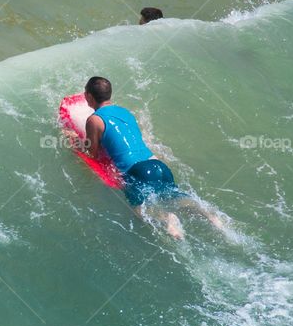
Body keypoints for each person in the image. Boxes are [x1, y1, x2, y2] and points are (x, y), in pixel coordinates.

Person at [82, 76, 223, 240]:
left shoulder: (94, 120)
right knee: (174, 197)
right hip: (157, 165)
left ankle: (167, 218)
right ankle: (210, 217)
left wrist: (76, 141)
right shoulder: (125, 112)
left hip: (136, 170)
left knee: (139, 209)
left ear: (90, 97)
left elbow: (92, 152)